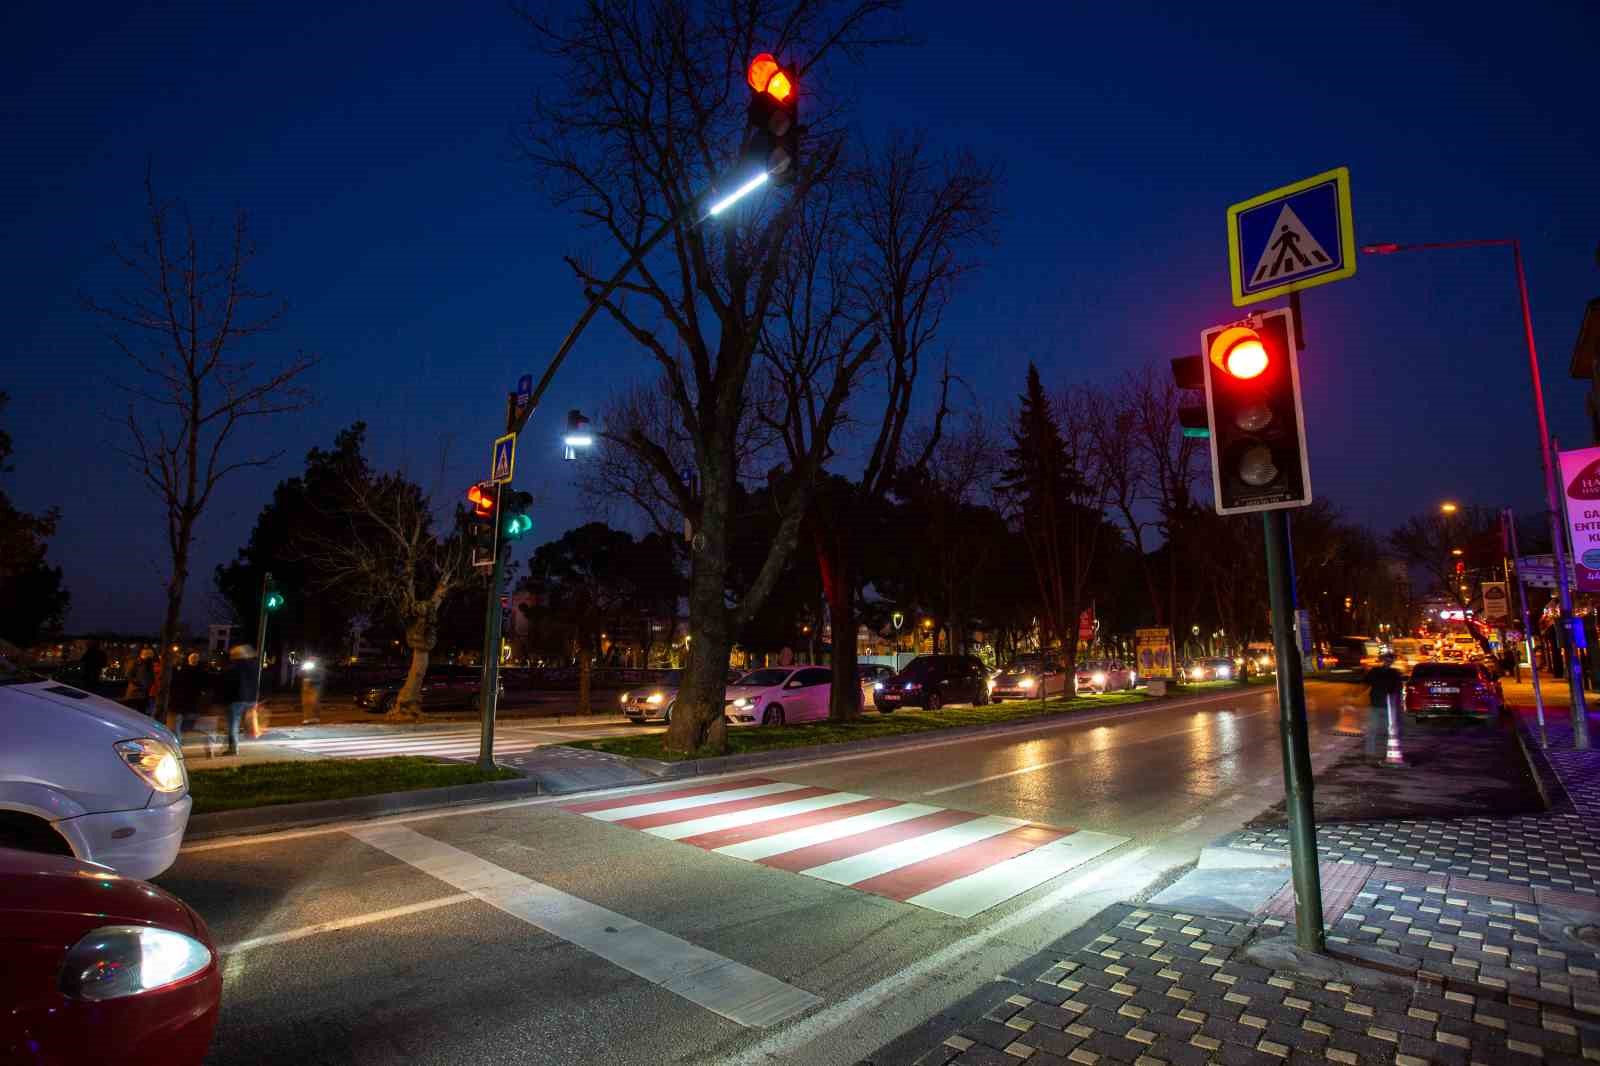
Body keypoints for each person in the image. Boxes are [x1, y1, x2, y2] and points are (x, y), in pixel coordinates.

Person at [1362, 651, 1404, 763]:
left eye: (1390, 660)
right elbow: (1366, 681)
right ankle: (1370, 754)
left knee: (1389, 731)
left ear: (1392, 661)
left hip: (1388, 707)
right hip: (1377, 705)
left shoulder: (1394, 673)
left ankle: (1386, 752)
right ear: (1383, 660)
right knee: (1373, 730)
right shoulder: (1377, 671)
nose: (1388, 662)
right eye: (1387, 659)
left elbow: (1398, 690)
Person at [221, 644, 260, 756]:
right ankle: (252, 734)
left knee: (233, 724)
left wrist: (224, 699)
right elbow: (256, 683)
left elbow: (228, 684)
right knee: (248, 720)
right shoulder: (253, 667)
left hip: (236, 699)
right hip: (250, 699)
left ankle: (233, 748)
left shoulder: (233, 668)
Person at [167, 652, 206, 748]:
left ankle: (177, 745)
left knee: (179, 725)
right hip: (187, 702)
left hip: (185, 702)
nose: (193, 660)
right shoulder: (201, 671)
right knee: (180, 724)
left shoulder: (183, 670)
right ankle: (178, 744)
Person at [122, 646, 156, 714]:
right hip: (135, 692)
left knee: (141, 711)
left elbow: (152, 677)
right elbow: (128, 675)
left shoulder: (149, 665)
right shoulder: (136, 663)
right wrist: (137, 682)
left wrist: (149, 684)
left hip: (143, 693)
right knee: (130, 711)